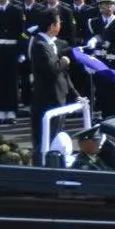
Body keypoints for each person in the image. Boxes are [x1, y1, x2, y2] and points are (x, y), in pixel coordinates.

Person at [30, 9, 77, 162]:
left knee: (55, 136)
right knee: (45, 139)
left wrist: (75, 94)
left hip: (59, 96)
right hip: (47, 99)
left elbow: (63, 75)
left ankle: (53, 163)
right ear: (52, 26)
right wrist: (65, 61)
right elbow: (53, 69)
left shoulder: (52, 43)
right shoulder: (40, 44)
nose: (60, 26)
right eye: (58, 23)